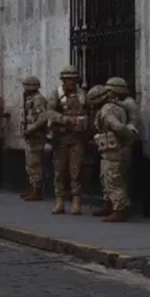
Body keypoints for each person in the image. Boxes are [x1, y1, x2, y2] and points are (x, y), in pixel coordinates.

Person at [88, 84, 137, 222]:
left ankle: (119, 210)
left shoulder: (107, 110)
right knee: (106, 177)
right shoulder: (112, 107)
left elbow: (117, 126)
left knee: (114, 178)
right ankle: (109, 204)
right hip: (109, 150)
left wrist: (127, 138)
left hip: (114, 150)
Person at [47, 65, 89, 215]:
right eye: (69, 79)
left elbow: (90, 111)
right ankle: (59, 200)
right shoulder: (56, 94)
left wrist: (84, 122)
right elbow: (49, 112)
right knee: (59, 169)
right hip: (61, 137)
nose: (72, 82)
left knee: (76, 170)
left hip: (77, 137)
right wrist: (65, 119)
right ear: (63, 80)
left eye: (74, 79)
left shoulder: (83, 94)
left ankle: (76, 201)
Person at [20, 76, 48, 201]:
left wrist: (30, 130)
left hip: (36, 136)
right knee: (30, 163)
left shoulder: (38, 99)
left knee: (34, 163)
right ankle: (33, 188)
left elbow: (42, 118)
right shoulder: (30, 99)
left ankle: (37, 190)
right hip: (31, 136)